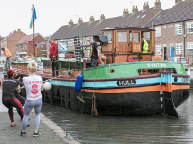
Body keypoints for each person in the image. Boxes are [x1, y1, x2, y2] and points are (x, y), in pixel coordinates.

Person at [19, 61, 43, 137]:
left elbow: (25, 87)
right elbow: (41, 89)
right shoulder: (40, 78)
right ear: (35, 69)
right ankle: (36, 132)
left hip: (30, 100)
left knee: (26, 115)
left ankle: (23, 132)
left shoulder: (25, 79)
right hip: (38, 99)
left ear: (28, 69)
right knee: (37, 115)